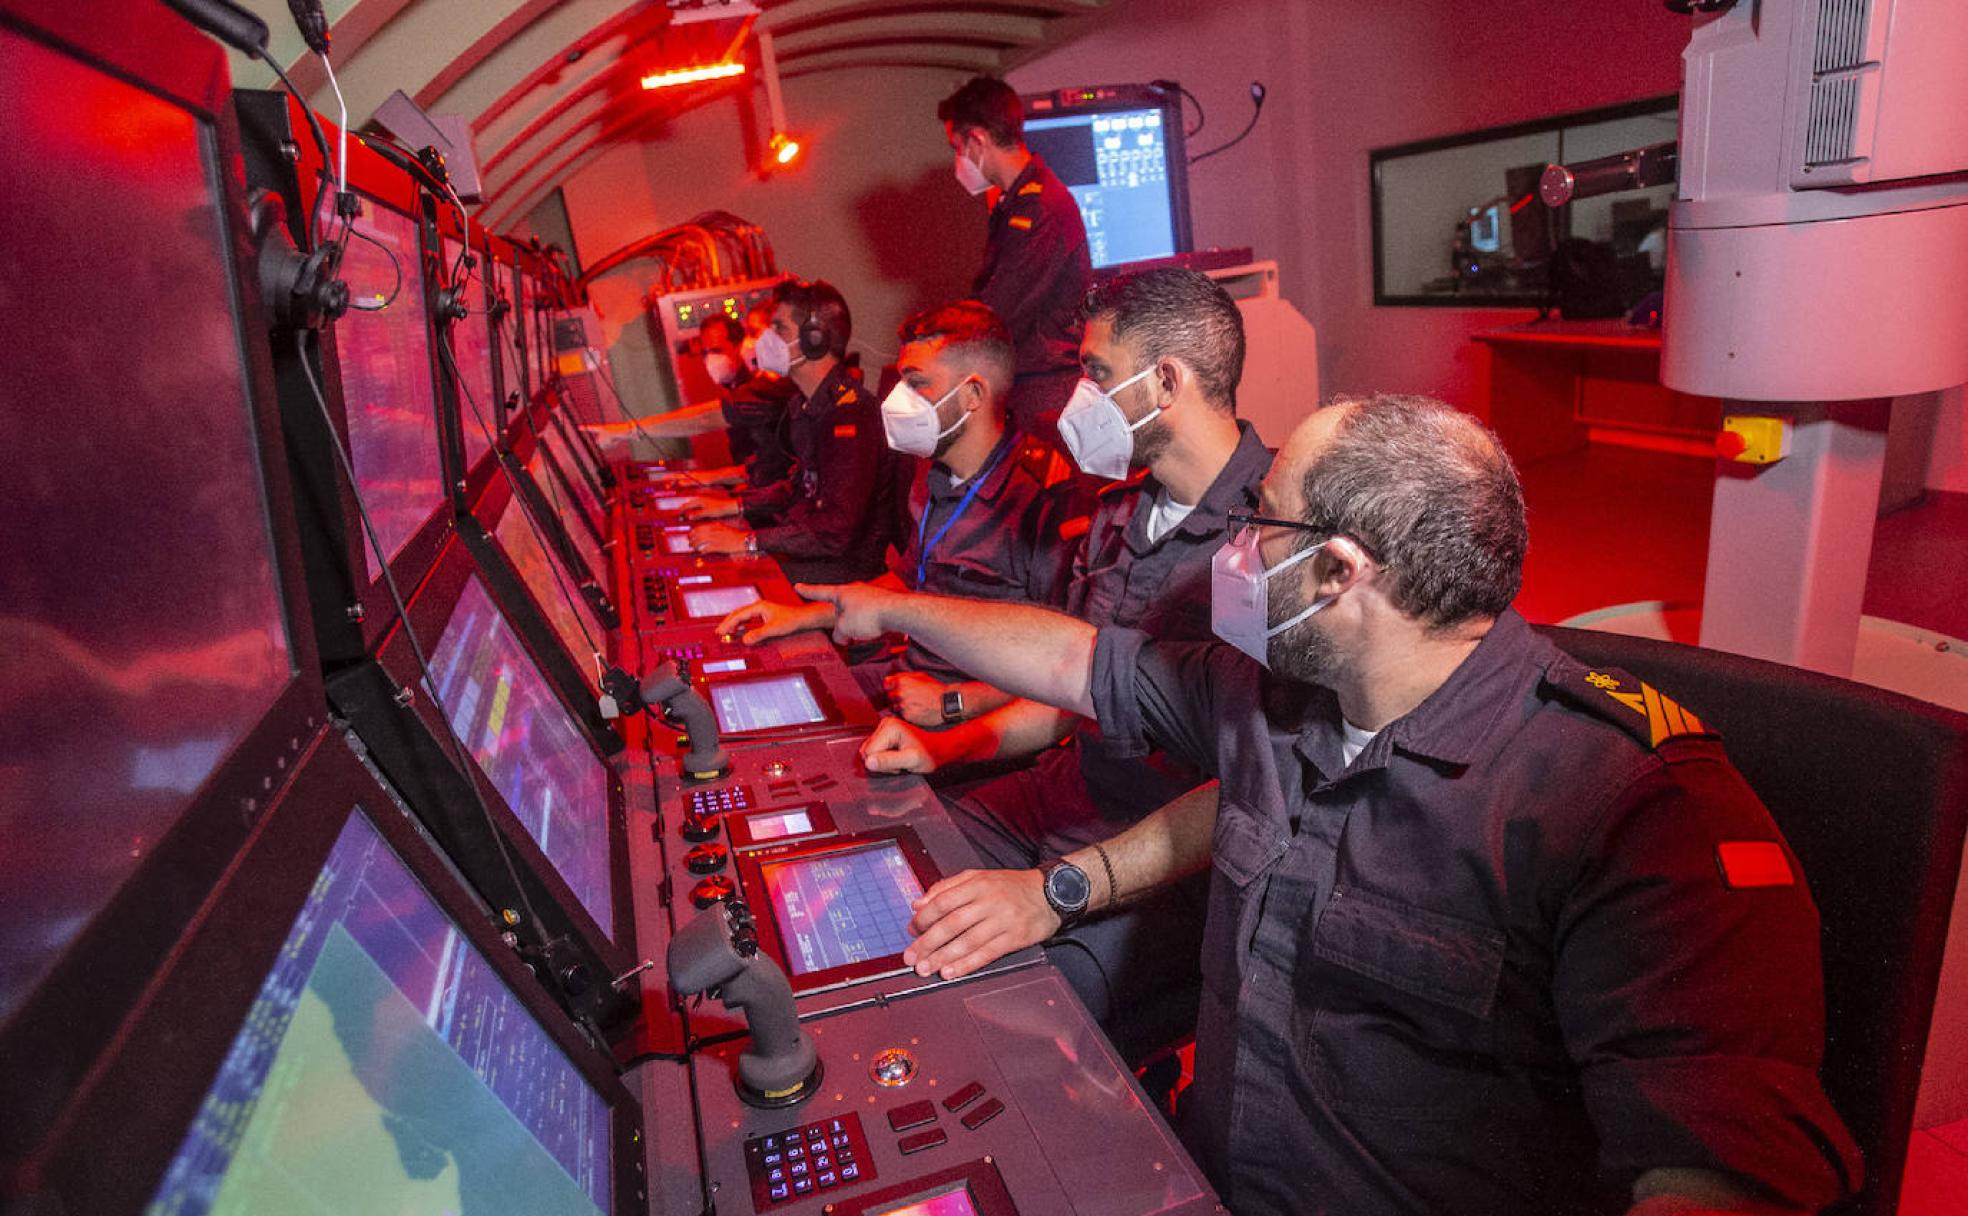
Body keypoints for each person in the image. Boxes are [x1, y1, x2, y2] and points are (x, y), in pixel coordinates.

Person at [799, 394, 1862, 1216]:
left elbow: (1723, 1176)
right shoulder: (1280, 692)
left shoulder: (1633, 808)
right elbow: (1082, 663)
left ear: (1336, 572)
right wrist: (893, 610)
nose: (1231, 550)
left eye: (1258, 521)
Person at [856, 268, 1270, 1063]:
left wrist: (1054, 890)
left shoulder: (1274, 532)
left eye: (1097, 373)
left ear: (1168, 382)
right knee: (897, 869)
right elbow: (1067, 694)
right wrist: (945, 746)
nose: (1077, 399)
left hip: (1175, 853)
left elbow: (1258, 787)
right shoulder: (1117, 513)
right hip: (1070, 792)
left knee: (1010, 1020)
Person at [716, 300, 1087, 725]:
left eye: (917, 383)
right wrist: (802, 617)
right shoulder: (933, 475)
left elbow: (1068, 664)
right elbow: (909, 582)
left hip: (973, 713)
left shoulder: (1043, 499)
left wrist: (956, 701)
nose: (898, 399)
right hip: (910, 675)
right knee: (765, 700)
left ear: (973, 394)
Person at [679, 279, 895, 584]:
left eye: (779, 328)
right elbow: (798, 488)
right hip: (811, 556)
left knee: (724, 577)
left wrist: (748, 541)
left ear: (814, 339)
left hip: (847, 574)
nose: (767, 339)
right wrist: (734, 506)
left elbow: (835, 533)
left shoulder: (850, 415)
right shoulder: (803, 405)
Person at [939, 76, 1091, 445]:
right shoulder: (1015, 203)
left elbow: (1003, 307)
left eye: (957, 148)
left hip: (1046, 389)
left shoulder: (1039, 206)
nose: (958, 161)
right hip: (1026, 382)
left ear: (978, 140)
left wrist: (943, 347)